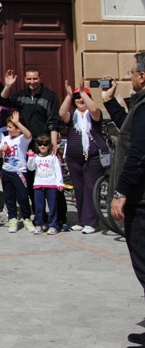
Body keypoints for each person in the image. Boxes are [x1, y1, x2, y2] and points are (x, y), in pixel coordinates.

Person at [100, 57, 145, 348]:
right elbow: (130, 133)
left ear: (143, 75)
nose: (129, 78)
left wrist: (120, 192)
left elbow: (138, 154)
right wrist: (110, 101)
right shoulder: (139, 107)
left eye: (131, 73)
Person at [60, 82, 106, 234]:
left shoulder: (94, 115)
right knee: (78, 189)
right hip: (74, 159)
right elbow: (61, 113)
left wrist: (83, 92)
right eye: (77, 98)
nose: (80, 100)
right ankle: (81, 220)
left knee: (91, 188)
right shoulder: (72, 116)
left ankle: (91, 222)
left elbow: (93, 108)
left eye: (83, 97)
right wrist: (68, 96)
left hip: (92, 158)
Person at [0, 111, 34, 233]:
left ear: (18, 129)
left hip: (19, 171)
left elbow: (29, 134)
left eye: (10, 127)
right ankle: (13, 219)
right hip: (6, 171)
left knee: (23, 196)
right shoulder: (5, 138)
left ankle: (26, 218)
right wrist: (1, 150)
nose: (8, 129)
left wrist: (17, 122)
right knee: (9, 197)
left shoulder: (22, 139)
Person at [27, 135, 64, 235]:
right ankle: (38, 224)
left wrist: (59, 183)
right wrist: (30, 157)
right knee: (39, 207)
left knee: (52, 206)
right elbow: (30, 168)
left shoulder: (53, 157)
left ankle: (52, 225)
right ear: (37, 145)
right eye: (40, 144)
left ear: (49, 146)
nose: (42, 146)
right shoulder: (35, 157)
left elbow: (57, 170)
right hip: (38, 185)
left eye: (45, 144)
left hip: (51, 185)